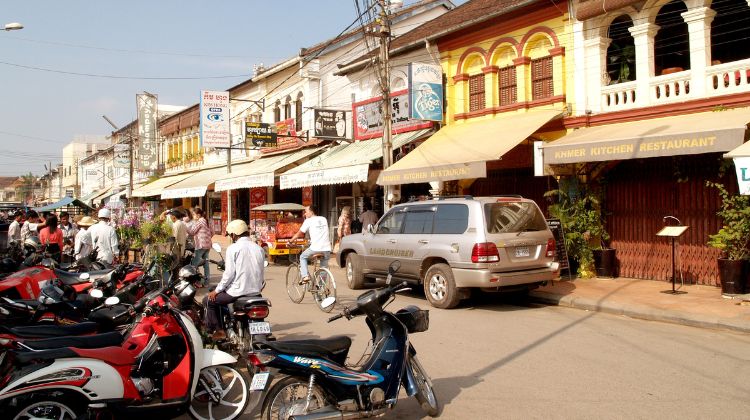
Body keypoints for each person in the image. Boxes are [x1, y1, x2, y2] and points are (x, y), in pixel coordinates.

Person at [204, 219, 265, 340]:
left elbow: (229, 274)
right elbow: (261, 272)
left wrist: (217, 291)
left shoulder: (233, 248)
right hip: (256, 292)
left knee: (208, 301)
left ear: (233, 234)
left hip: (237, 292)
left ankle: (219, 331)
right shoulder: (259, 249)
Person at [289, 205, 331, 282]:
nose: (305, 214)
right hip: (327, 249)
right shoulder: (323, 219)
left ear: (311, 212)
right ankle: (322, 288)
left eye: (306, 212)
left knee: (302, 257)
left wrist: (290, 241)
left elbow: (299, 234)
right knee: (323, 268)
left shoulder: (308, 221)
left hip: (315, 248)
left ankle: (305, 276)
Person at [186, 207, 212, 286]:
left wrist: (184, 226)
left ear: (198, 215)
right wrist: (206, 238)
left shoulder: (199, 221)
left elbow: (192, 231)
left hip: (200, 245)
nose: (193, 216)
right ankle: (207, 282)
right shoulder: (207, 221)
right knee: (206, 264)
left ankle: (197, 282)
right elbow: (213, 232)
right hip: (208, 245)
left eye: (193, 215)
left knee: (194, 264)